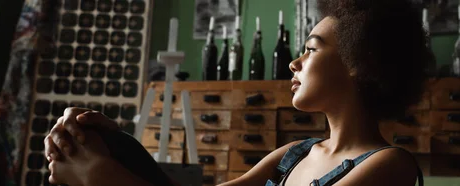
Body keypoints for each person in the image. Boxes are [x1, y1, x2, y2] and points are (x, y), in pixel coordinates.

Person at [43, 0, 432, 185]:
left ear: (358, 63)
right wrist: (108, 143)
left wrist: (100, 175)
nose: (294, 63)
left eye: (311, 49)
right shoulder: (294, 154)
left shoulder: (389, 166)